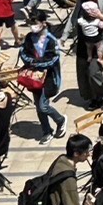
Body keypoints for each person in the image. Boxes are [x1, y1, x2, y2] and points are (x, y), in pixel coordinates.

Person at [17, 11, 66, 144]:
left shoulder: (51, 40)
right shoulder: (29, 38)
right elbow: (23, 53)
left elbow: (53, 58)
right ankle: (46, 131)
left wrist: (36, 63)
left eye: (35, 23)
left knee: (43, 106)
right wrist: (31, 62)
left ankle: (60, 120)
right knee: (38, 107)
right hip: (34, 78)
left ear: (43, 23)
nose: (32, 26)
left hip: (49, 77)